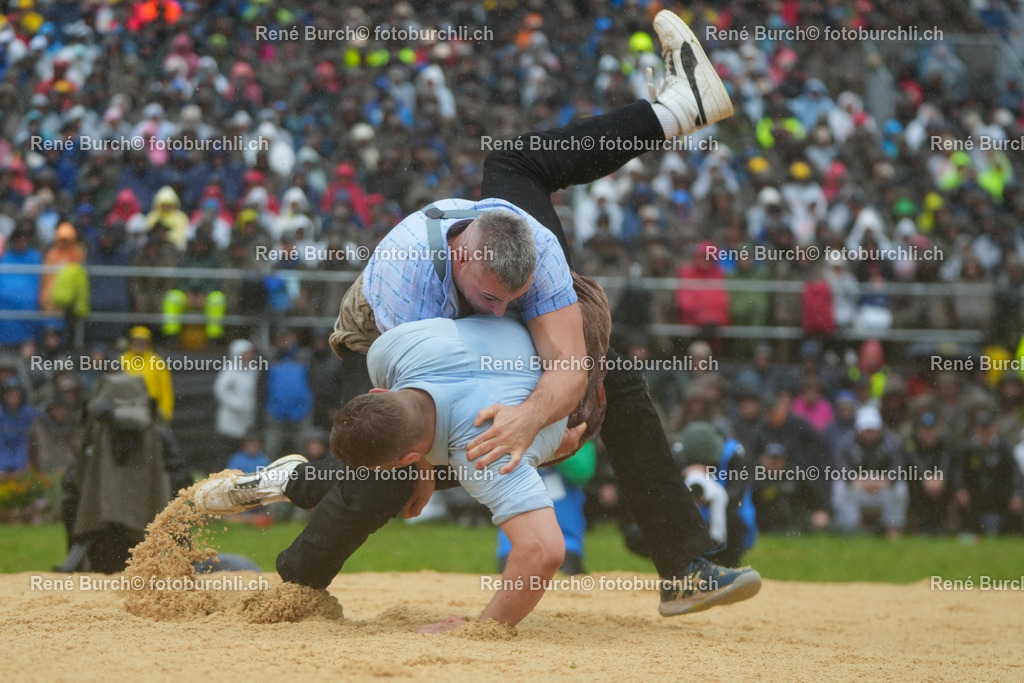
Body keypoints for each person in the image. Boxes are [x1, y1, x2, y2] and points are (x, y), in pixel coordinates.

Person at [194, 11, 760, 617]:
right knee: (395, 470)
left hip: (485, 284)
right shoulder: (408, 281)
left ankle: (677, 109)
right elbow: (421, 419)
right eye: (494, 300)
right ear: (461, 257)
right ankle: (298, 549)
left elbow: (568, 367)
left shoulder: (536, 253)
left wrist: (534, 420)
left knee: (605, 367)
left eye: (517, 301)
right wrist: (519, 443)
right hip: (385, 331)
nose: (506, 311)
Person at [120, 326, 174, 423]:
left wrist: (166, 412)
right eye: (136, 341)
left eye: (142, 341)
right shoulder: (122, 360)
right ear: (130, 342)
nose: (139, 344)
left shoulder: (157, 362)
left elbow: (166, 390)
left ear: (148, 343)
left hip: (151, 410)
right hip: (126, 407)